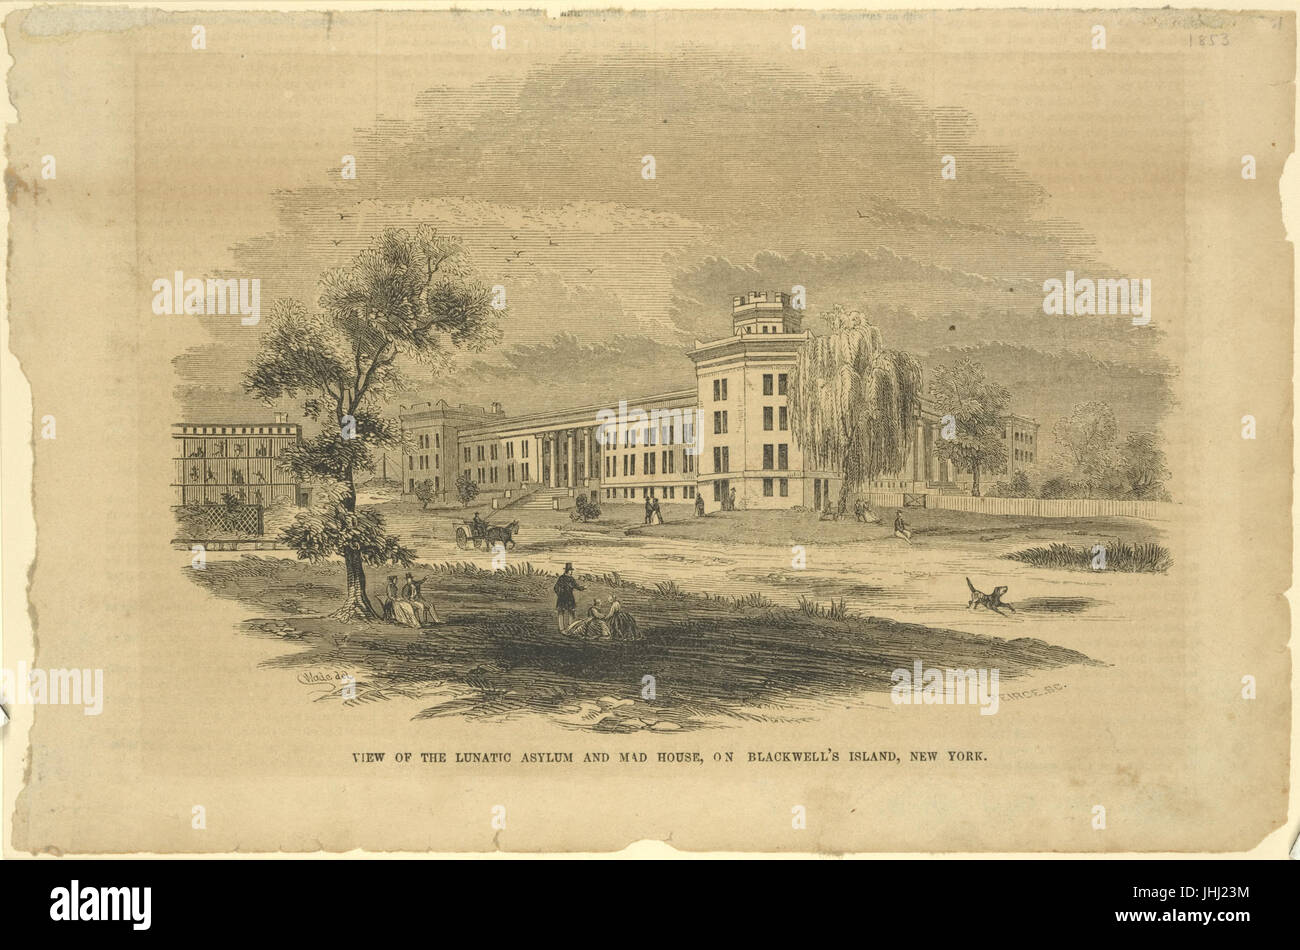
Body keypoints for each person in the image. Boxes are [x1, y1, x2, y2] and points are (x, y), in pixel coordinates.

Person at [554, 562, 584, 632]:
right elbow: (555, 587)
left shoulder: (571, 579)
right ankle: (561, 628)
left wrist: (583, 588)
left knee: (571, 612)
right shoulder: (561, 578)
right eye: (571, 571)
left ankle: (570, 627)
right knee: (561, 612)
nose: (572, 572)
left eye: (572, 571)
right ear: (567, 571)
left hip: (570, 598)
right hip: (562, 598)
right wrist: (560, 594)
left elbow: (577, 586)